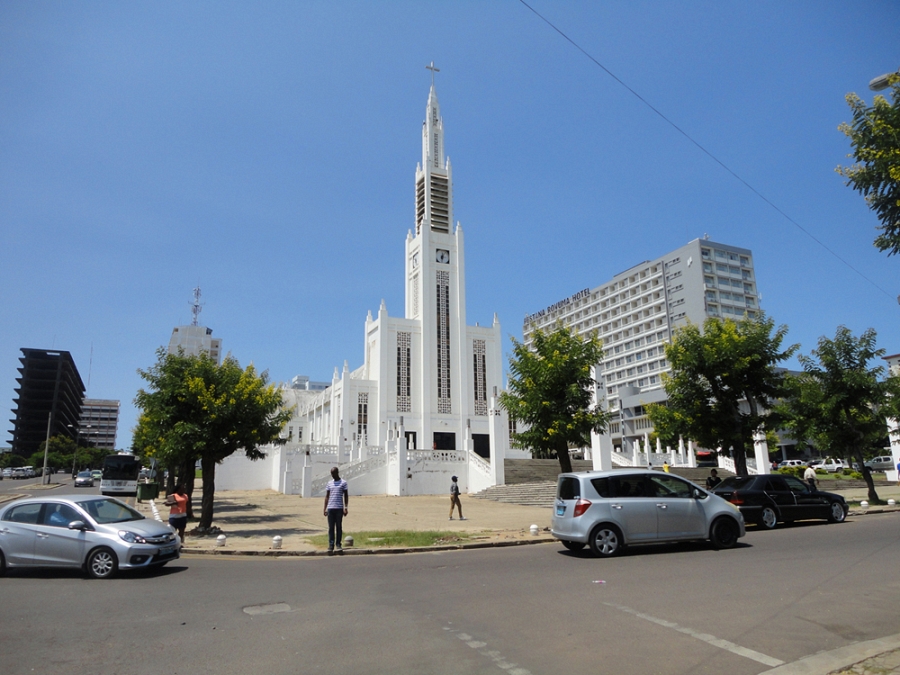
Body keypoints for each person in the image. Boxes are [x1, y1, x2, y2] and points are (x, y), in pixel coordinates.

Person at [323, 466, 349, 555]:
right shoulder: (329, 483)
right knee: (331, 528)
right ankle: (331, 545)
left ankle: (338, 544)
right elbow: (327, 496)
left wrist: (346, 508)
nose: (332, 475)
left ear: (337, 473)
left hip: (339, 508)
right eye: (331, 474)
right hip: (330, 508)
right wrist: (325, 508)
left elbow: (345, 496)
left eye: (334, 473)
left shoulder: (343, 483)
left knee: (338, 527)